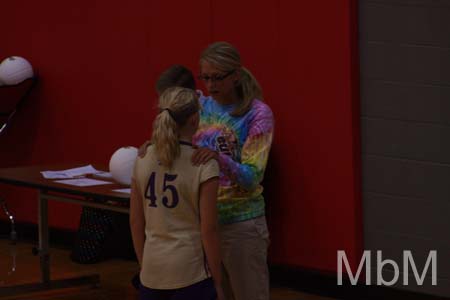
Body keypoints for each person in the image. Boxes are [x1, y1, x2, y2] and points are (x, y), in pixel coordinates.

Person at [192, 41, 274, 300]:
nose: (210, 85)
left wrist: (218, 158)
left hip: (241, 223)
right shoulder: (201, 106)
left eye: (217, 78)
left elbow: (252, 177)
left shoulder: (257, 113)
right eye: (205, 77)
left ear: (236, 75)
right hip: (203, 222)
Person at [130, 87, 225, 300]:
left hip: (152, 270)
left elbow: (136, 222)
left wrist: (144, 266)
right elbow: (209, 230)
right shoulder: (204, 164)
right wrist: (218, 283)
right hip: (190, 273)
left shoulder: (143, 157)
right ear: (194, 119)